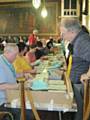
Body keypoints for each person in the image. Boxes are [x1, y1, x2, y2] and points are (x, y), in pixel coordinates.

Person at [60, 18, 90, 120]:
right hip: (77, 84)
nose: (62, 36)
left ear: (72, 31)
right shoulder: (79, 40)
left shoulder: (82, 41)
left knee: (80, 114)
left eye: (63, 33)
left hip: (81, 85)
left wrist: (88, 74)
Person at [0, 43, 20, 120]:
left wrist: (24, 75)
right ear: (7, 52)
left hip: (10, 97)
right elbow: (1, 86)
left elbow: (13, 75)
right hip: (3, 102)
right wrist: (19, 86)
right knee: (28, 113)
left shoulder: (7, 62)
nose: (16, 57)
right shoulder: (0, 64)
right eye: (15, 55)